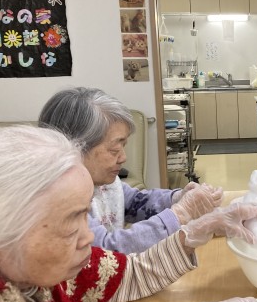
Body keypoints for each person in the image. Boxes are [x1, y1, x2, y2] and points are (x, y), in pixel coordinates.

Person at [0, 125, 257, 302]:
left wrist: (197, 230)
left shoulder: (34, 269)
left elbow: (130, 274)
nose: (88, 236)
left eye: (86, 215)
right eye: (71, 221)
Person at [39, 87, 233, 254]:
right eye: (114, 149)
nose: (123, 158)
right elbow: (106, 252)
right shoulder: (59, 200)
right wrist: (180, 214)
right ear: (72, 148)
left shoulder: (102, 183)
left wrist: (178, 198)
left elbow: (135, 202)